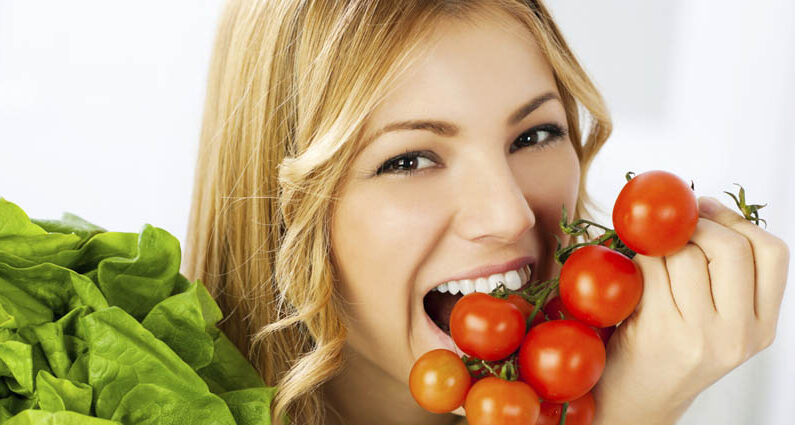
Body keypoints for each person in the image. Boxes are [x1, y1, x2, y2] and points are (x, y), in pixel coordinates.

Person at [184, 1, 790, 424]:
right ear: (279, 206)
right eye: (411, 160)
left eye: (535, 136)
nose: (509, 214)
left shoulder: (701, 375)